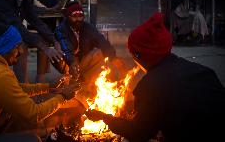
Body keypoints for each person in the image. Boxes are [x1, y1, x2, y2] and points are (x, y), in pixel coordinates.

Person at [85, 12, 225, 142]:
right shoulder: (205, 72)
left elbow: (139, 133)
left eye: (133, 55)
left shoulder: (151, 85)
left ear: (139, 56)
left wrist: (104, 117)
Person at [54, 1, 127, 107]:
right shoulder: (61, 29)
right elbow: (66, 47)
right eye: (74, 16)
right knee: (60, 54)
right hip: (66, 61)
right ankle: (68, 86)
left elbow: (101, 41)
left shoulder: (87, 27)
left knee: (98, 53)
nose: (78, 19)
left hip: (81, 61)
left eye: (80, 16)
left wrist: (113, 58)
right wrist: (72, 61)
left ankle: (86, 81)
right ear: (68, 17)